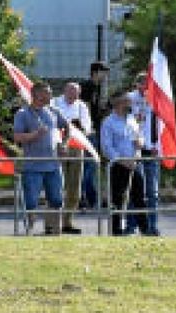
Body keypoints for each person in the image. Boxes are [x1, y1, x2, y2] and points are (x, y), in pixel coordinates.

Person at [13, 80, 71, 235]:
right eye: (47, 92)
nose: (51, 95)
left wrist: (63, 144)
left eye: (50, 92)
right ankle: (29, 231)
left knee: (57, 200)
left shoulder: (53, 111)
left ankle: (55, 232)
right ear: (37, 94)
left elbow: (67, 126)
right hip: (32, 166)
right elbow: (17, 137)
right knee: (31, 202)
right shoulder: (23, 114)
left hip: (53, 165)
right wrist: (35, 135)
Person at [100, 91, 149, 235]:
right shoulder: (108, 122)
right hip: (118, 166)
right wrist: (122, 161)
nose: (131, 103)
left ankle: (145, 230)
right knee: (117, 199)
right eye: (127, 101)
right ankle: (116, 232)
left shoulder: (132, 119)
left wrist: (140, 143)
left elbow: (139, 138)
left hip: (135, 164)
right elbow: (106, 147)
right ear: (118, 104)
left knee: (139, 197)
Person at [53, 81, 92, 232]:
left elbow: (88, 128)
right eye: (70, 91)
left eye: (76, 92)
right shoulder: (54, 102)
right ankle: (53, 223)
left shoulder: (82, 106)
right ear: (65, 90)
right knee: (56, 185)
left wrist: (81, 127)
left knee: (74, 186)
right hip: (59, 147)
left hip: (76, 147)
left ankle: (67, 222)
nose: (73, 95)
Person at [127, 72, 162, 235]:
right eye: (142, 84)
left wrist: (159, 146)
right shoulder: (129, 99)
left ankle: (152, 226)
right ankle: (131, 226)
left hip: (151, 149)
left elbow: (161, 125)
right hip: (134, 150)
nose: (144, 87)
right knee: (136, 190)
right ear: (136, 84)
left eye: (147, 84)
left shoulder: (157, 100)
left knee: (152, 192)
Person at [79, 61, 110, 208]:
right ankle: (83, 197)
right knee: (90, 164)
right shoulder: (89, 86)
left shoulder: (95, 87)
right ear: (96, 72)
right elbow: (86, 106)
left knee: (91, 165)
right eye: (103, 72)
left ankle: (91, 197)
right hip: (89, 131)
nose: (105, 75)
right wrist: (89, 126)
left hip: (92, 129)